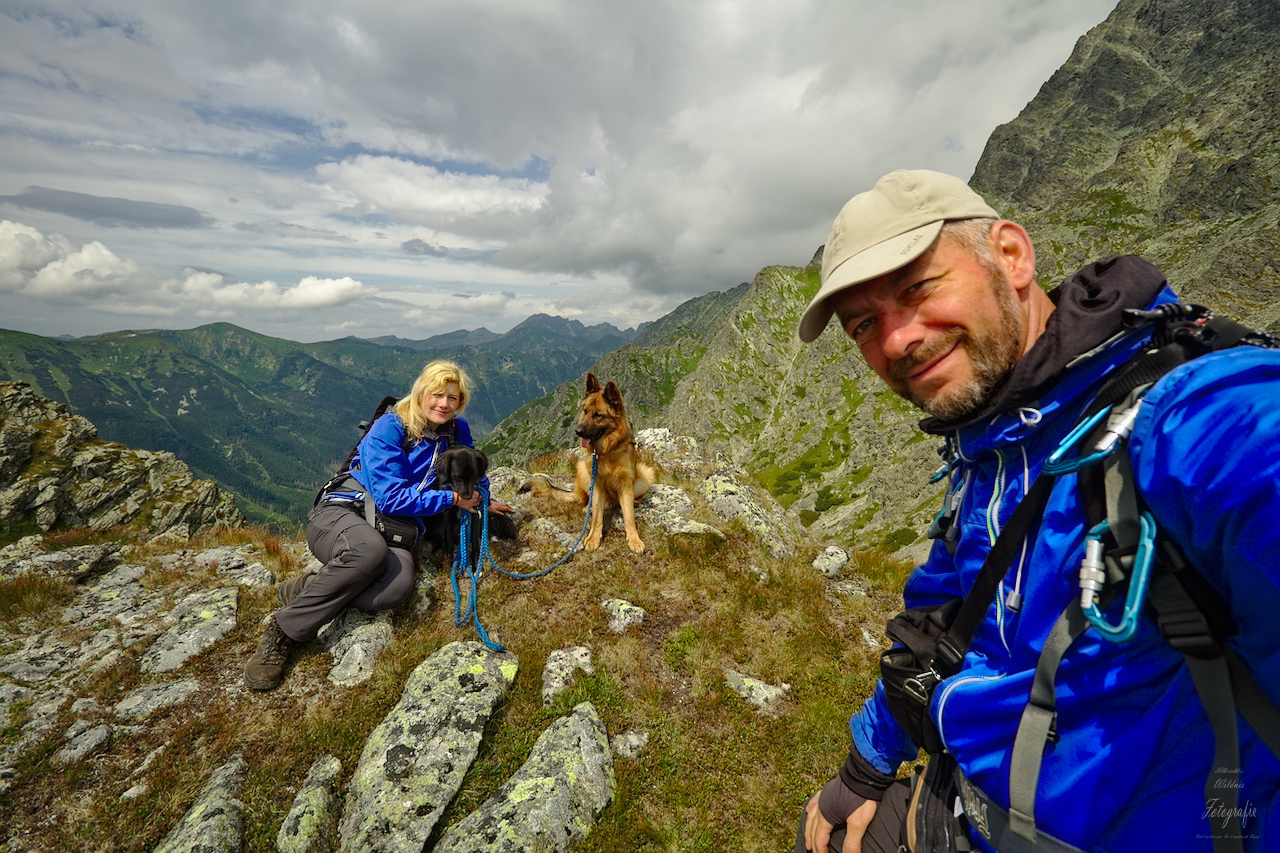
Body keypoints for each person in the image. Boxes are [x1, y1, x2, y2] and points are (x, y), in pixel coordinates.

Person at [793, 169, 1279, 852]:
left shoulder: (1187, 420)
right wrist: (865, 764)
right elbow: (940, 618)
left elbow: (1253, 455)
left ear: (1012, 256)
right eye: (865, 324)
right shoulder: (990, 448)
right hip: (971, 811)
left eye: (917, 288)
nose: (897, 340)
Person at [244, 359, 513, 691]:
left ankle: (310, 587)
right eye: (437, 394)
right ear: (421, 393)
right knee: (367, 551)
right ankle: (282, 633)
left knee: (395, 590)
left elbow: (470, 471)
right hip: (343, 511)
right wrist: (452, 501)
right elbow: (391, 498)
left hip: (393, 526)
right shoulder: (392, 426)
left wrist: (483, 498)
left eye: (452, 398)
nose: (444, 403)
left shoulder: (457, 430)